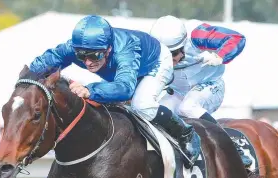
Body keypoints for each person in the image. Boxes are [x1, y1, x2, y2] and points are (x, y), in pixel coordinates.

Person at [29, 15, 200, 166]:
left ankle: (186, 133)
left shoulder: (125, 49)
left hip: (155, 63)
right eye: (82, 56)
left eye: (95, 56)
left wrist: (90, 90)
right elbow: (41, 65)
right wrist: (27, 79)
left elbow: (125, 88)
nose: (88, 62)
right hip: (126, 70)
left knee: (142, 105)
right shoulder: (73, 47)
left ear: (109, 49)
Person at [150, 15, 251, 168]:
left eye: (174, 53)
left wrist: (220, 55)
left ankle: (231, 145)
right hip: (178, 91)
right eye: (165, 55)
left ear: (184, 43)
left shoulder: (197, 35)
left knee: (187, 107)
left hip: (210, 85)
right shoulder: (152, 46)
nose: (169, 60)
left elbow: (237, 38)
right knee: (156, 112)